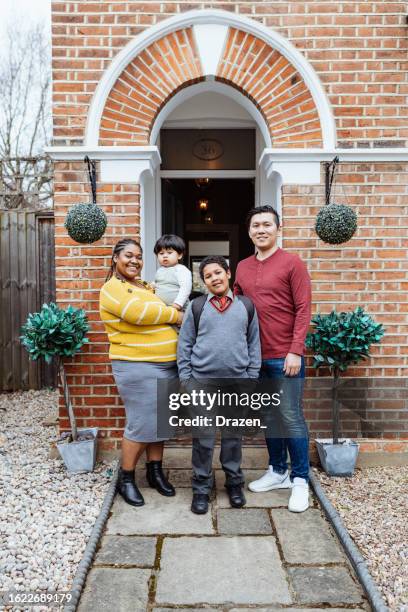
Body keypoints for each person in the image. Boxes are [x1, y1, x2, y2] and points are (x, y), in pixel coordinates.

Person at [234, 205, 312, 513]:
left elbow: (304, 309)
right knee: (268, 416)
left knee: (290, 416)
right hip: (256, 358)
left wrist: (296, 349)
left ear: (278, 229)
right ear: (250, 231)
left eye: (267, 224)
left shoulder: (292, 263)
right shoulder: (241, 267)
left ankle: (300, 479)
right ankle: (278, 471)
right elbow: (237, 308)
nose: (261, 230)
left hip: (285, 356)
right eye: (256, 225)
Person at [99, 238, 183, 507]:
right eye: (128, 255)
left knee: (160, 422)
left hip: (167, 364)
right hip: (137, 365)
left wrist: (164, 309)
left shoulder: (145, 286)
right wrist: (174, 315)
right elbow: (138, 313)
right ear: (115, 258)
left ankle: (154, 472)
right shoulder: (112, 288)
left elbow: (155, 306)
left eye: (139, 256)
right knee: (140, 423)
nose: (134, 260)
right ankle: (126, 478)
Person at [177, 256, 261, 515]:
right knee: (203, 438)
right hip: (203, 383)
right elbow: (185, 345)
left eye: (218, 272)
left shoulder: (246, 306)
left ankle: (234, 484)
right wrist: (187, 380)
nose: (214, 278)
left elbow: (254, 344)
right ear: (204, 282)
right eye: (208, 276)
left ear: (228, 273)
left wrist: (251, 377)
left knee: (233, 438)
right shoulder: (197, 307)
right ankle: (201, 487)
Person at [153, 234, 192, 312]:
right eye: (161, 253)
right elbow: (158, 283)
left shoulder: (181, 270)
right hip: (163, 308)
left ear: (179, 255)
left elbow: (185, 288)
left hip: (180, 308)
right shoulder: (160, 270)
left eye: (169, 253)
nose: (165, 256)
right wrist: (152, 285)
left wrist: (178, 304)